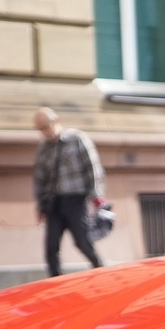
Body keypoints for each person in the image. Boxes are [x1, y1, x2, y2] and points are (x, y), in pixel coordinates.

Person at [32, 107, 103, 276]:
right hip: (54, 203)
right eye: (40, 129)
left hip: (76, 199)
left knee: (82, 242)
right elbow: (39, 179)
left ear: (55, 121)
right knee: (51, 246)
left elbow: (92, 168)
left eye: (45, 127)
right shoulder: (43, 148)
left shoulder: (77, 139)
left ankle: (102, 271)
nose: (44, 132)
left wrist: (96, 195)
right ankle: (55, 282)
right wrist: (40, 206)